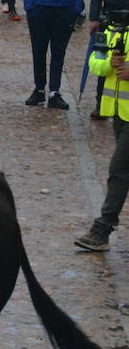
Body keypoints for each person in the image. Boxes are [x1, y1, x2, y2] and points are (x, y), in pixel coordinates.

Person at [75, 21, 129, 251]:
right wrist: (110, 63)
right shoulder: (111, 31)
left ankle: (101, 230)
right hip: (118, 113)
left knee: (119, 170)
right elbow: (94, 64)